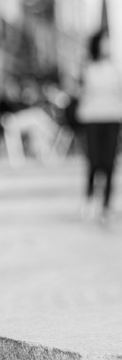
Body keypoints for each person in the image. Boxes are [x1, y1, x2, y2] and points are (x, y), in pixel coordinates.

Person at [77, 29, 122, 225]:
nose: (107, 45)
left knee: (110, 162)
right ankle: (89, 199)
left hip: (112, 117)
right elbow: (81, 92)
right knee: (94, 161)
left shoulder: (115, 68)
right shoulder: (87, 68)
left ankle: (106, 205)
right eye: (104, 41)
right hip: (92, 118)